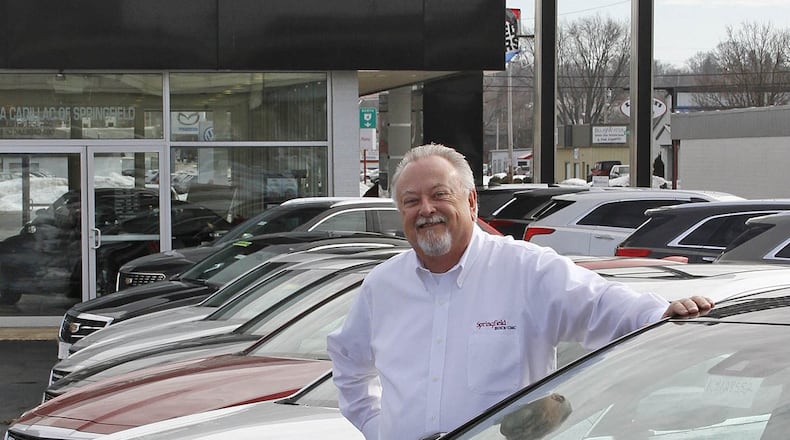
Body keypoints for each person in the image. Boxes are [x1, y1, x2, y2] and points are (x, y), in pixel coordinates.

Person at [327, 143, 714, 440]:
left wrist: (662, 314)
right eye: (411, 202)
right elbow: (347, 362)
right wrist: (379, 428)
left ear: (472, 201)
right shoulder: (383, 287)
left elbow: (601, 305)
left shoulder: (527, 269)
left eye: (440, 195)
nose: (426, 209)